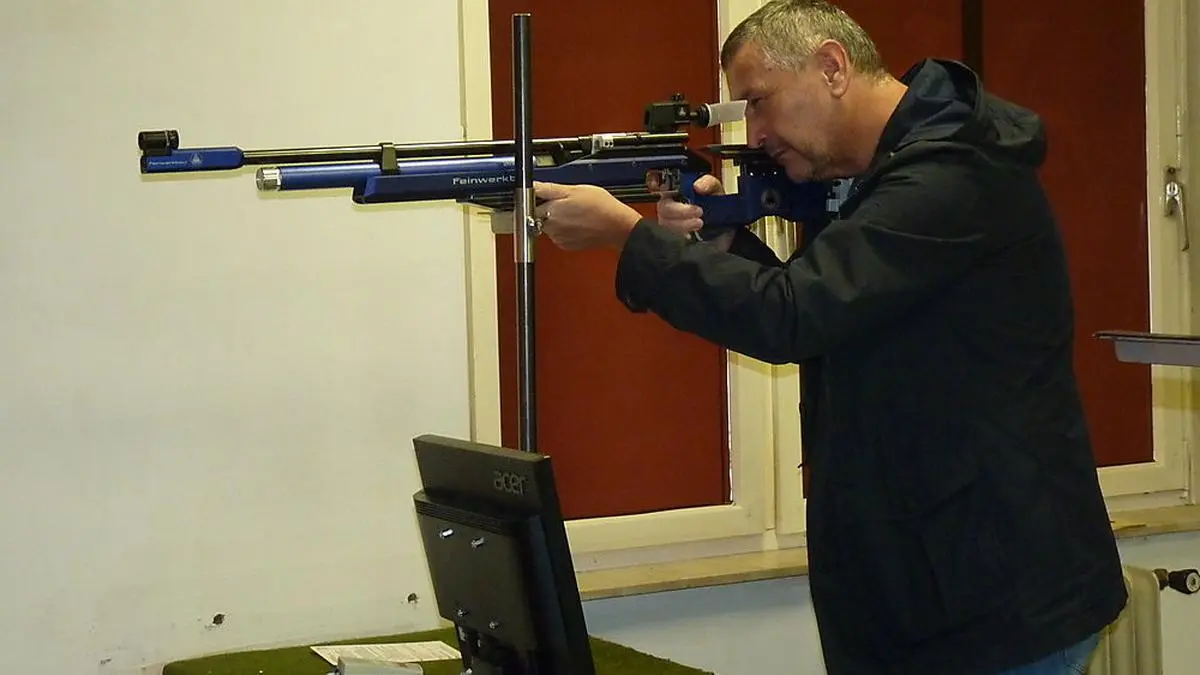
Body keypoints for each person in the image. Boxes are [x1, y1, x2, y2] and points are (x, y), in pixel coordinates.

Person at [531, 1, 1129, 673]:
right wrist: (723, 240)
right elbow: (833, 312)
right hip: (927, 584)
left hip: (996, 601)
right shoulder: (878, 173)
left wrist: (628, 235)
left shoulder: (952, 173)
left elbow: (794, 314)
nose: (755, 134)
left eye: (760, 102)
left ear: (833, 67)